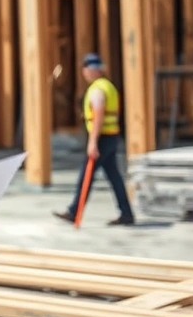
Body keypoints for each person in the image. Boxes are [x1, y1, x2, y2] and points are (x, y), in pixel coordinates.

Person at [54, 53, 135, 226]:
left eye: (86, 69)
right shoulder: (109, 87)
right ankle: (126, 213)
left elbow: (98, 115)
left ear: (90, 70)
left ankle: (74, 212)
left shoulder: (97, 89)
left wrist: (92, 142)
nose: (85, 73)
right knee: (114, 177)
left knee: (86, 175)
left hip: (102, 138)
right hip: (112, 135)